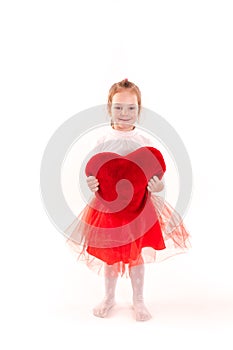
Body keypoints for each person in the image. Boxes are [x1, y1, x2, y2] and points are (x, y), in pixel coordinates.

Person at [65, 79, 190, 321]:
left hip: (138, 207)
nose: (124, 113)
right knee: (111, 253)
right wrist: (92, 184)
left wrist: (158, 185)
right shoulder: (101, 140)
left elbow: (155, 174)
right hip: (109, 207)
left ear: (139, 110)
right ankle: (109, 297)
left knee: (135, 255)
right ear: (109, 107)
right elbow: (95, 173)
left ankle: (139, 300)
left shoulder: (144, 142)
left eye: (131, 108)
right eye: (118, 107)